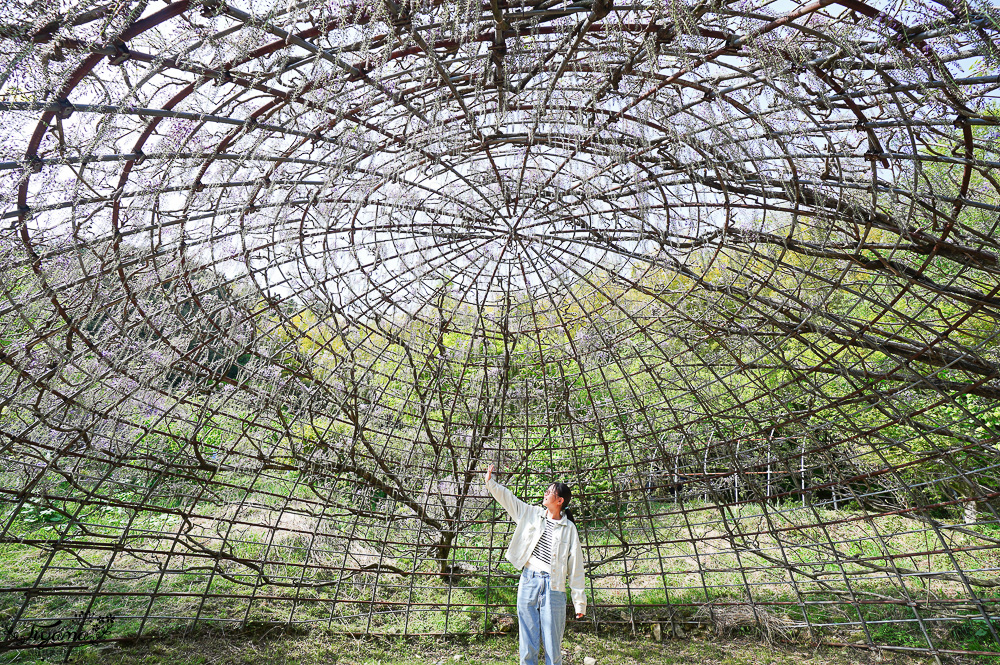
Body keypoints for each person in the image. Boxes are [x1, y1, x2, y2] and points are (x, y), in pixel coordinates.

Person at [484, 464, 586, 665]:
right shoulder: (532, 514)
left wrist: (579, 601)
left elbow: (576, 566)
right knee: (527, 640)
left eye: (550, 492)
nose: (546, 493)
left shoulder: (569, 528)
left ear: (560, 500)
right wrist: (490, 483)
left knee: (552, 642)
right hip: (529, 579)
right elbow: (509, 499)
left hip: (554, 586)